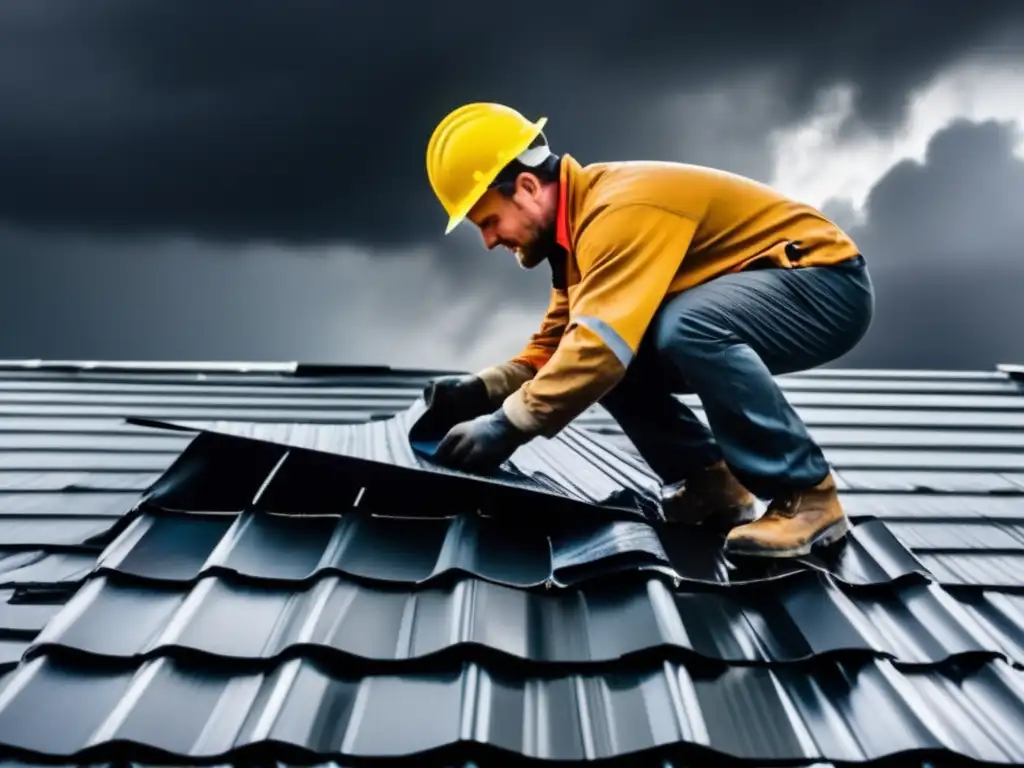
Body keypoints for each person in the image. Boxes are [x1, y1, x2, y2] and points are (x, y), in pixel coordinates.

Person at [417, 102, 875, 559]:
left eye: (489, 221)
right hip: (782, 288)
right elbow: (564, 340)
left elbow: (595, 350)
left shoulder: (617, 211)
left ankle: (810, 497)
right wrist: (484, 389)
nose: (489, 240)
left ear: (528, 186)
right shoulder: (575, 235)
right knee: (618, 343)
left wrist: (507, 425)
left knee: (679, 329)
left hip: (824, 282)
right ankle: (712, 483)